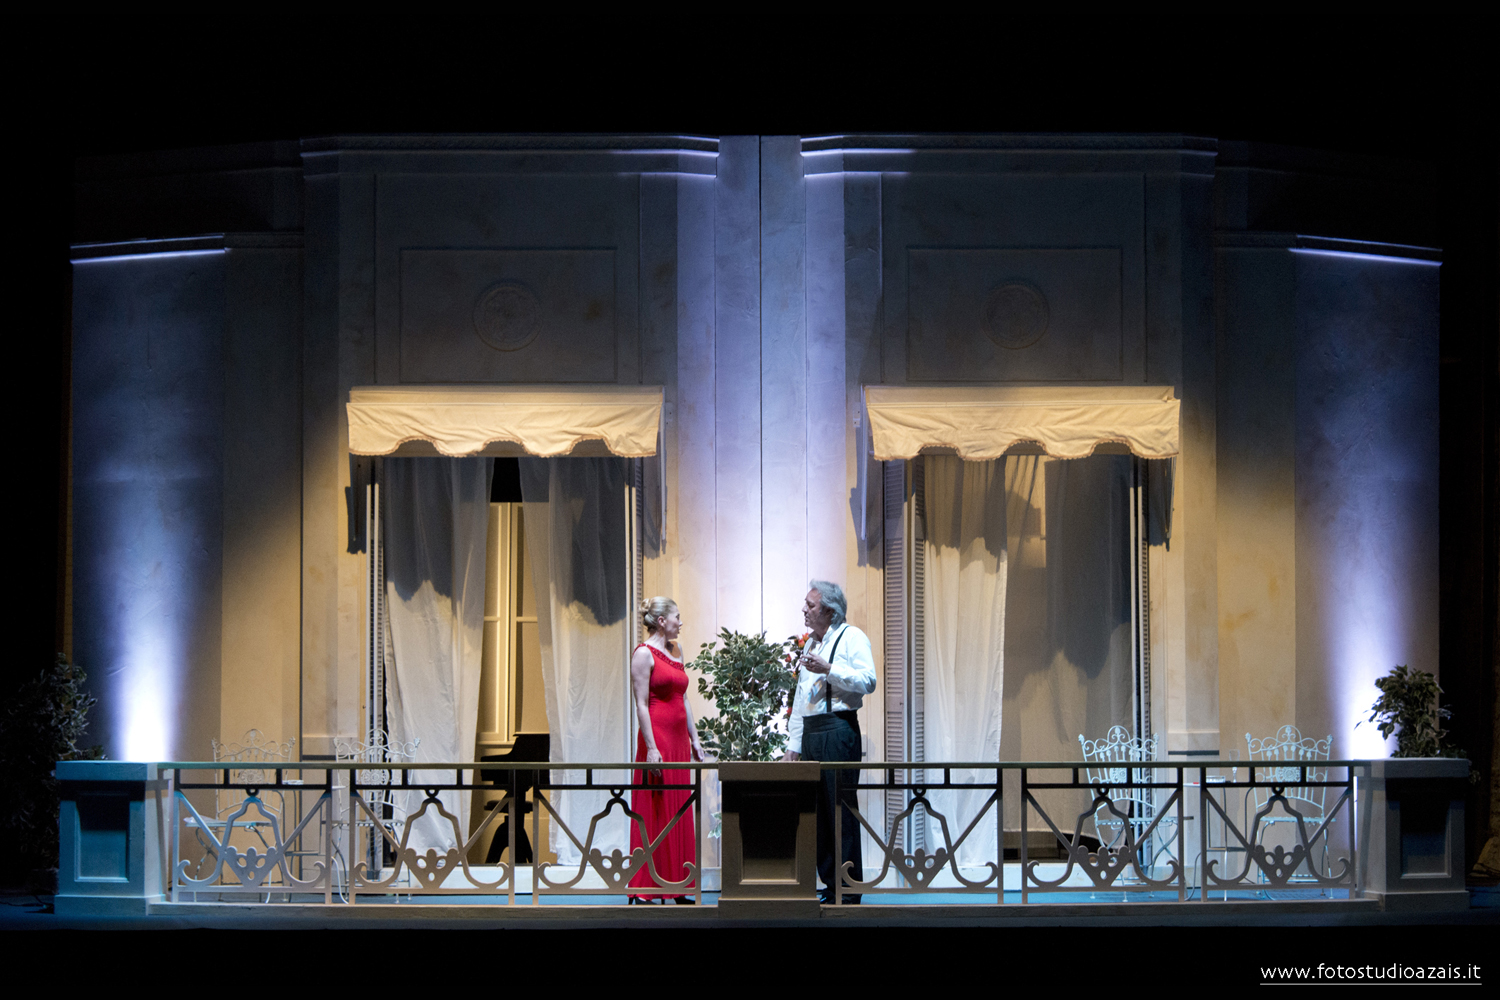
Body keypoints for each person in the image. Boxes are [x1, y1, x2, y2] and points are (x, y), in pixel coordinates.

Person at [782, 580, 877, 903]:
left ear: (830, 611)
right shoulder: (812, 643)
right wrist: (794, 745)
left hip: (837, 731)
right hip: (812, 733)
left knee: (841, 811)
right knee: (818, 813)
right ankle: (830, 885)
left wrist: (830, 669)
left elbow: (868, 680)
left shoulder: (852, 637)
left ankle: (848, 890)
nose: (804, 610)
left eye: (810, 605)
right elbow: (801, 698)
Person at [628, 596, 707, 903]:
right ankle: (646, 886)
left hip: (678, 741)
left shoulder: (676, 650)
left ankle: (678, 883)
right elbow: (641, 704)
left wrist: (694, 738)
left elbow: (683, 698)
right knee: (657, 809)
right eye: (677, 617)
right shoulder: (643, 654)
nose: (680, 622)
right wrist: (651, 747)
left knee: (678, 809)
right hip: (657, 738)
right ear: (661, 621)